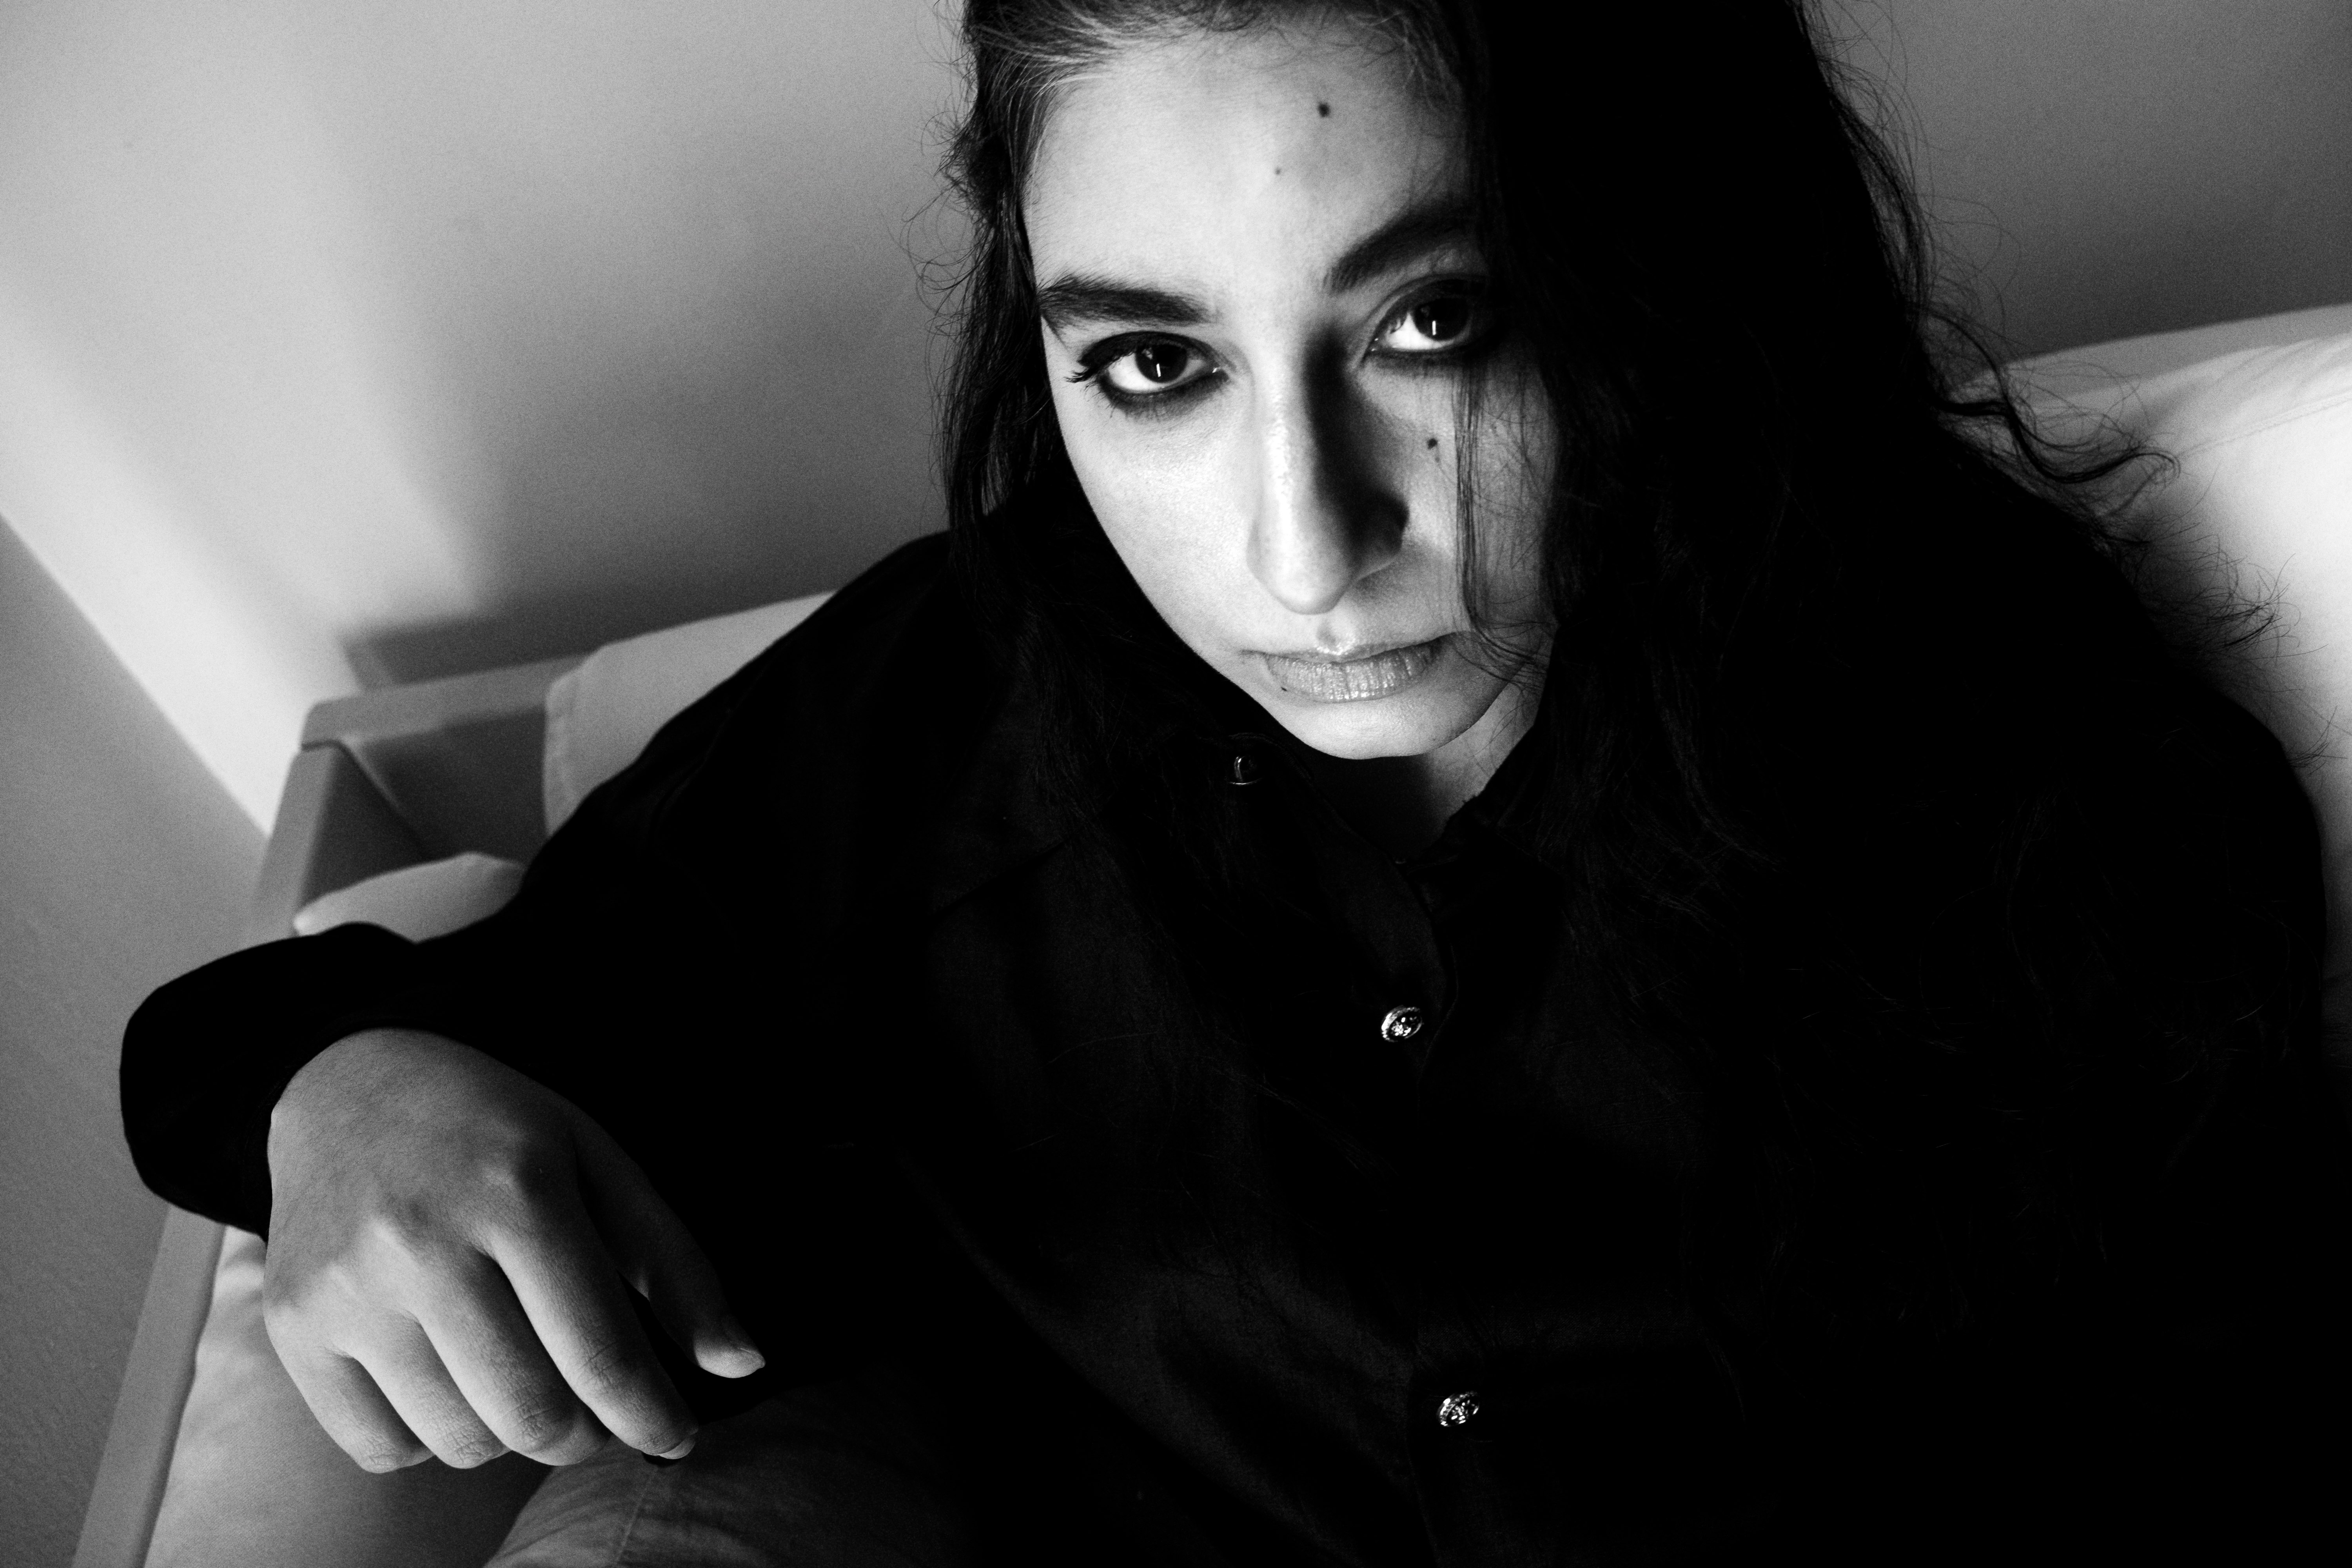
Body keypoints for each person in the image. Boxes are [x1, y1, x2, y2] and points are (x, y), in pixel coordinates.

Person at [123, 1, 2352, 1562]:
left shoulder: (2027, 769)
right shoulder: (952, 715)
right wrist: (345, 1100)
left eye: (1438, 321)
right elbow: (333, 1030)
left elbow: (2217, 1430)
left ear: (1666, 271)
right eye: (1155, 362)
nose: (1303, 546)